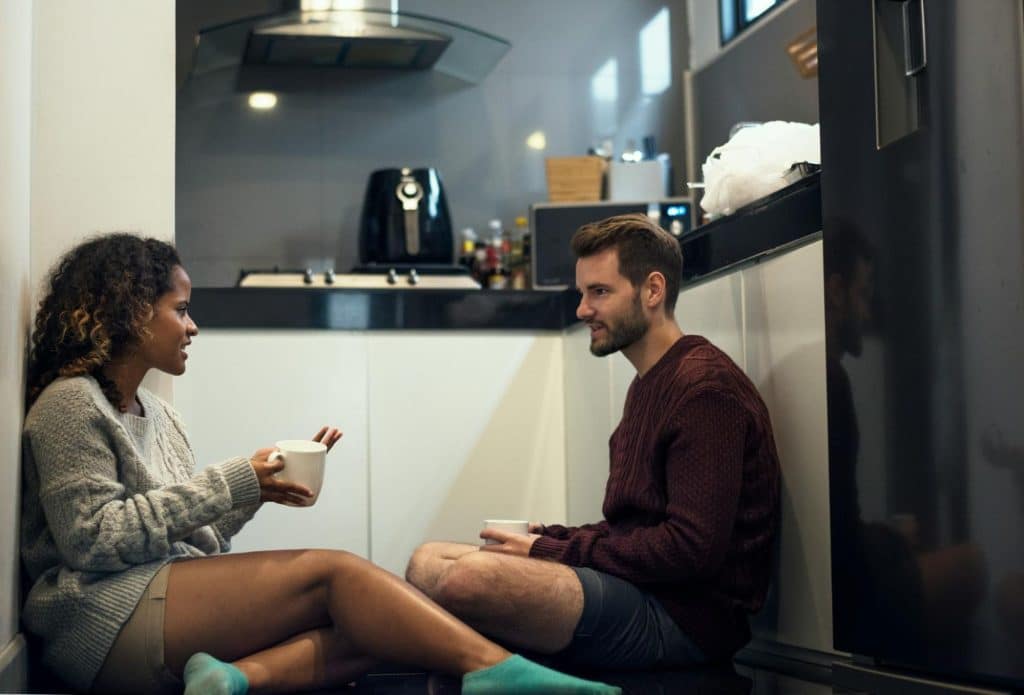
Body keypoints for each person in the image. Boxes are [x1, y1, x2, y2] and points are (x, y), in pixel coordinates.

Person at [20, 233, 620, 695]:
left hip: (155, 599)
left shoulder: (155, 412)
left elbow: (194, 540)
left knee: (379, 628)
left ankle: (234, 681)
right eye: (180, 310)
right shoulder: (71, 404)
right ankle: (497, 673)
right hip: (98, 621)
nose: (192, 325)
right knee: (337, 574)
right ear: (129, 313)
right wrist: (234, 479)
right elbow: (93, 541)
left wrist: (256, 493)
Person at [406, 213, 782, 669]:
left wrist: (550, 551)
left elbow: (690, 551)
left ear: (652, 290)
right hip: (641, 591)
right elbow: (633, 530)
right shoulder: (648, 384)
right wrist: (554, 537)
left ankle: (503, 674)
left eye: (599, 292)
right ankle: (497, 670)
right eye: (583, 293)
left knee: (468, 579)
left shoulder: (704, 391)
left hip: (686, 620)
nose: (582, 310)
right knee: (427, 562)